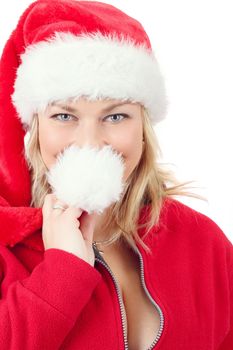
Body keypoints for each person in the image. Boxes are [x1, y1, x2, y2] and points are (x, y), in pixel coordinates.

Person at [0, 0, 232, 349]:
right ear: (35, 126)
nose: (90, 143)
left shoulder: (204, 242)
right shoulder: (7, 251)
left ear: (143, 127)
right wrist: (62, 270)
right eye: (64, 116)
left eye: (116, 116)